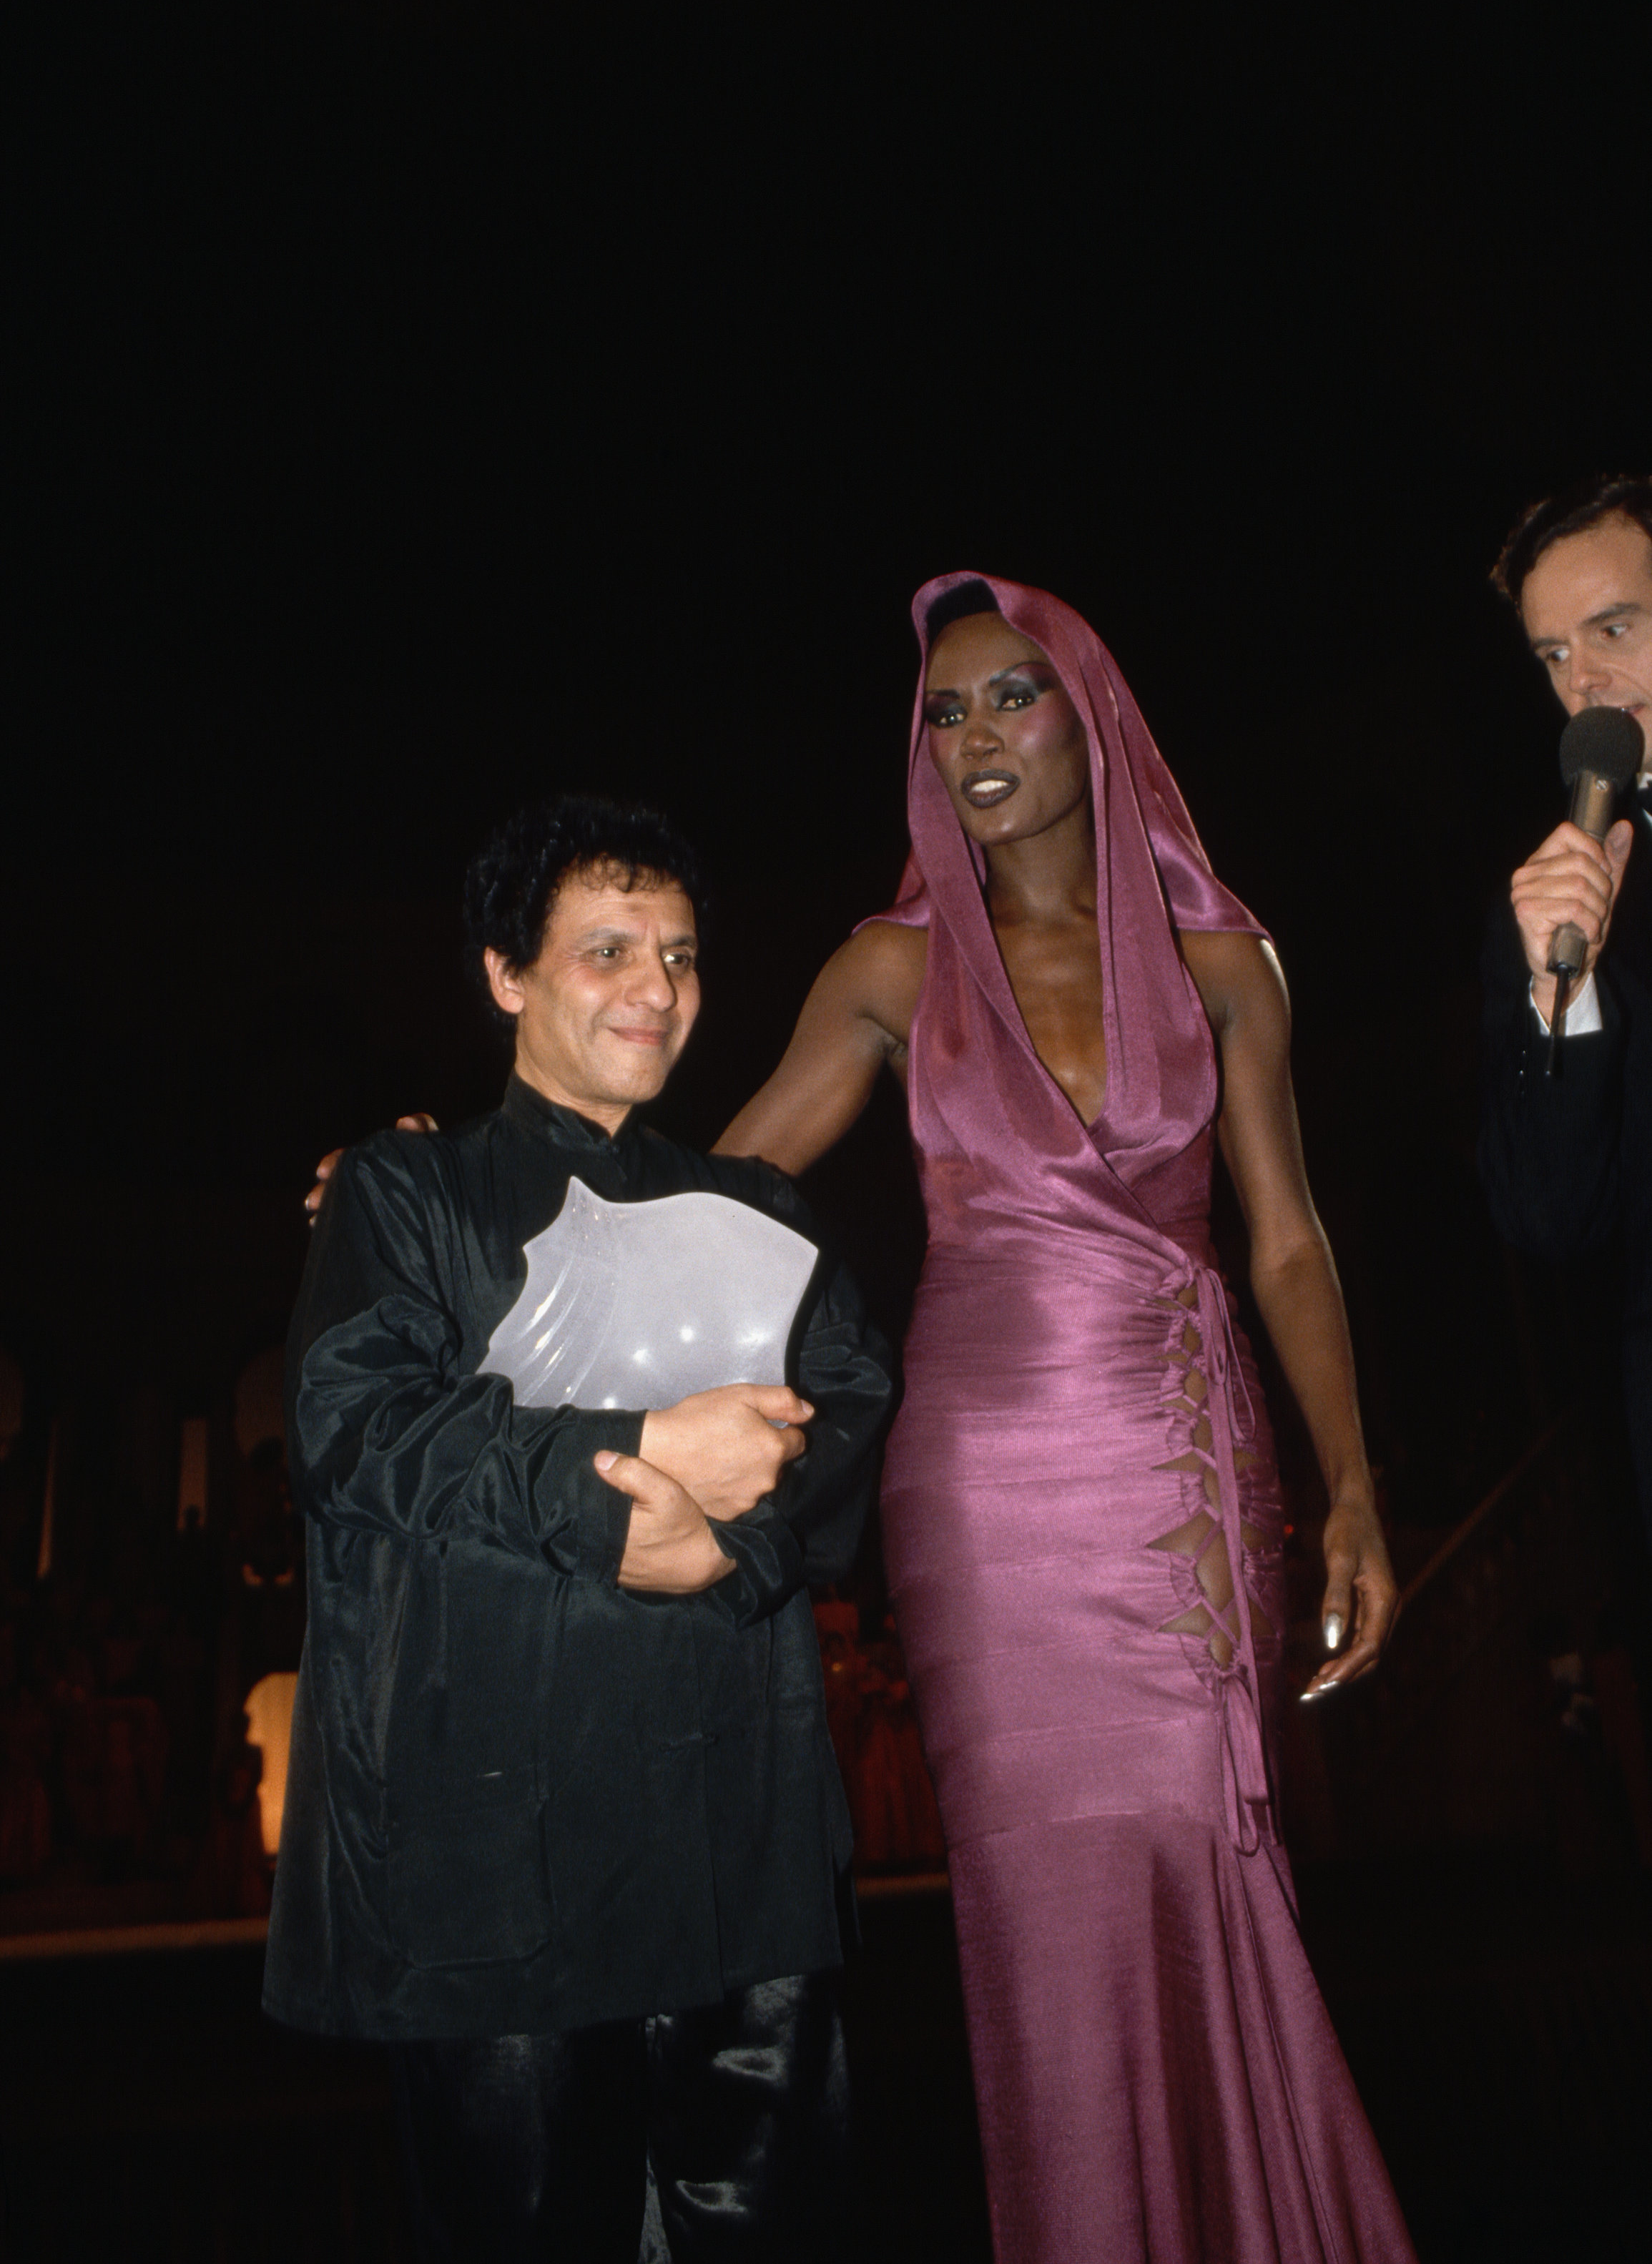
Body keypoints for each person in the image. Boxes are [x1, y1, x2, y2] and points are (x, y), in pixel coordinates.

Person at [712, 575, 1412, 2262]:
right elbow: (722, 1186)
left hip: (1179, 1469)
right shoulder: (892, 964)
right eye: (943, 714)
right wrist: (463, 1179)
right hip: (984, 1488)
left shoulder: (1225, 960)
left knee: (1209, 1860)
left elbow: (1291, 1237)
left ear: (1092, 718)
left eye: (1012, 697)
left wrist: (1355, 1488)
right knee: (1040, 1911)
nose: (975, 737)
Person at [267, 794, 893, 2263]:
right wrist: (635, 1465)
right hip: (497, 1865)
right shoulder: (405, 1189)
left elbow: (853, 1407)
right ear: (506, 974)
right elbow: (353, 1426)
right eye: (608, 948)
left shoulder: (762, 1211)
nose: (657, 988)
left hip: (739, 1849)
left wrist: (728, 1541)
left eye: (679, 953)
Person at [1478, 475, 1652, 1551]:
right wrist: (1563, 989)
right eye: (1550, 654)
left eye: (1615, 628)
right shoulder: (1553, 905)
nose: (1582, 681)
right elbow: (1545, 1219)